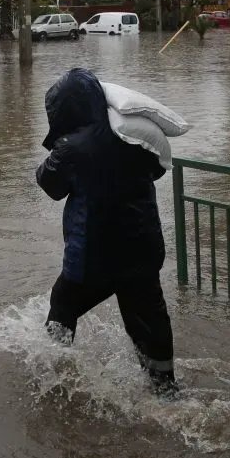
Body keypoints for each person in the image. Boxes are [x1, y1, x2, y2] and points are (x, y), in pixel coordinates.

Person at [36, 68, 178, 396]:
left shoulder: (70, 147)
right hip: (142, 251)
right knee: (149, 323)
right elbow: (157, 170)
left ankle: (54, 381)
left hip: (92, 258)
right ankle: (166, 392)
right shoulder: (135, 136)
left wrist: (59, 148)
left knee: (62, 308)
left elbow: (50, 185)